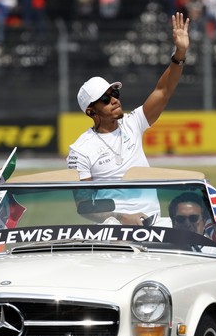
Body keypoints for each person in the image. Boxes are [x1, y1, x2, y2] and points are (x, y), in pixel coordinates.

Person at [67, 12, 190, 226]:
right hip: (113, 228)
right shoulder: (80, 150)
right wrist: (123, 219)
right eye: (105, 99)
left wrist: (179, 53)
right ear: (90, 111)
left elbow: (163, 91)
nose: (114, 100)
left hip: (153, 222)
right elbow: (84, 206)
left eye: (115, 94)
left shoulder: (133, 122)